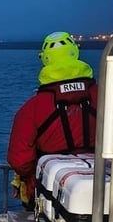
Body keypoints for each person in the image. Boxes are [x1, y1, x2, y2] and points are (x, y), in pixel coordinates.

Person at [6, 31, 98, 210]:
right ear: (75, 52)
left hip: (48, 197)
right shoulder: (107, 95)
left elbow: (18, 158)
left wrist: (41, 173)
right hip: (106, 189)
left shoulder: (32, 108)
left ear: (45, 59)